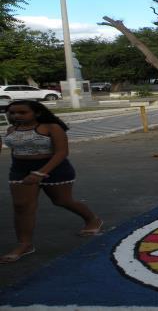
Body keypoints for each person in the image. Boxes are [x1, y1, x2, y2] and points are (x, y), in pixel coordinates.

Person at [0, 100, 102, 264]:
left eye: (22, 112)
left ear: (37, 113)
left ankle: (92, 219)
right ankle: (24, 244)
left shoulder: (51, 127)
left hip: (55, 168)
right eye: (12, 113)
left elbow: (62, 152)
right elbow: (15, 151)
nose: (16, 115)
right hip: (20, 170)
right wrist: (20, 170)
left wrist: (40, 172)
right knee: (21, 206)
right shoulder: (12, 129)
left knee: (62, 201)